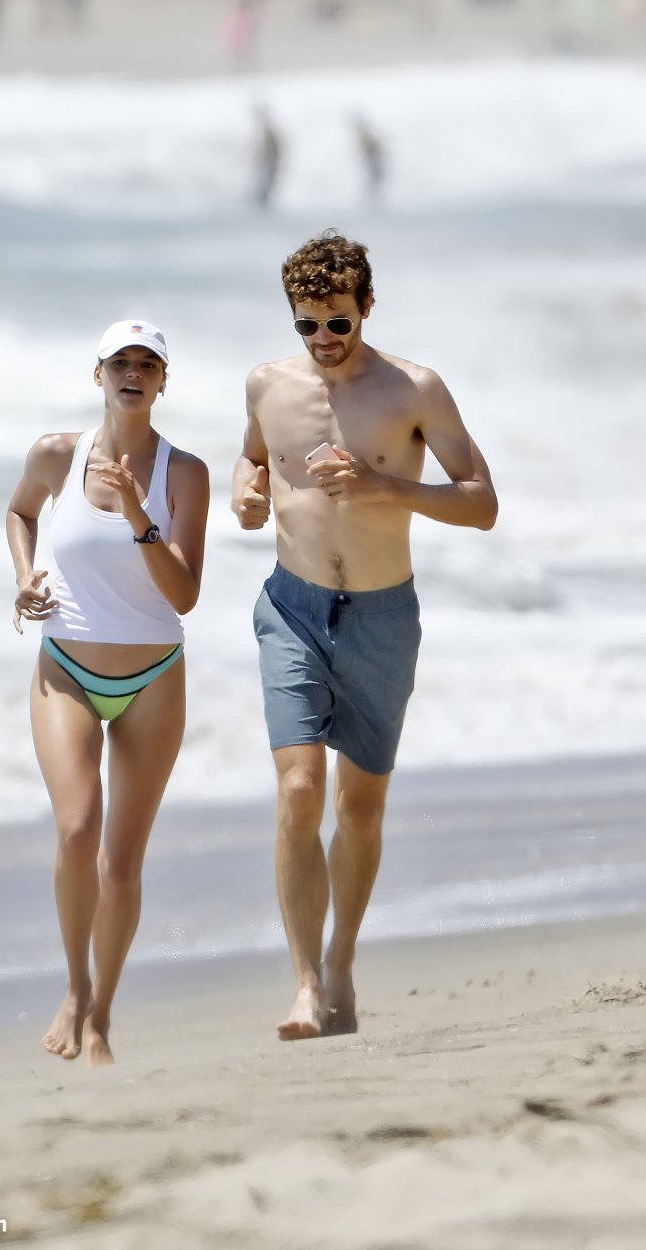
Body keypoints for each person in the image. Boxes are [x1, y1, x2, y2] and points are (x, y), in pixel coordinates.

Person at [232, 231, 497, 1041]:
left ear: (367, 307)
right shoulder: (266, 385)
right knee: (298, 790)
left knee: (359, 808)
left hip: (381, 615)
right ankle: (304, 985)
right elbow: (251, 461)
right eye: (306, 324)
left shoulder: (414, 389)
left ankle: (341, 957)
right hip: (291, 607)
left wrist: (384, 484)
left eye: (338, 323)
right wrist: (245, 494)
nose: (323, 339)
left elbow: (480, 503)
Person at [6, 320, 210, 1066]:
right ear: (98, 374)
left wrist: (137, 515)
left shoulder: (184, 473)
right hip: (65, 666)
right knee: (75, 830)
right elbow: (20, 511)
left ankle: (100, 1017)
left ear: (162, 382)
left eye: (147, 364)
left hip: (153, 679)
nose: (133, 373)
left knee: (120, 864)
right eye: (120, 361)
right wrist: (24, 575)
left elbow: (184, 594)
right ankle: (73, 987)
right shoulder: (56, 454)